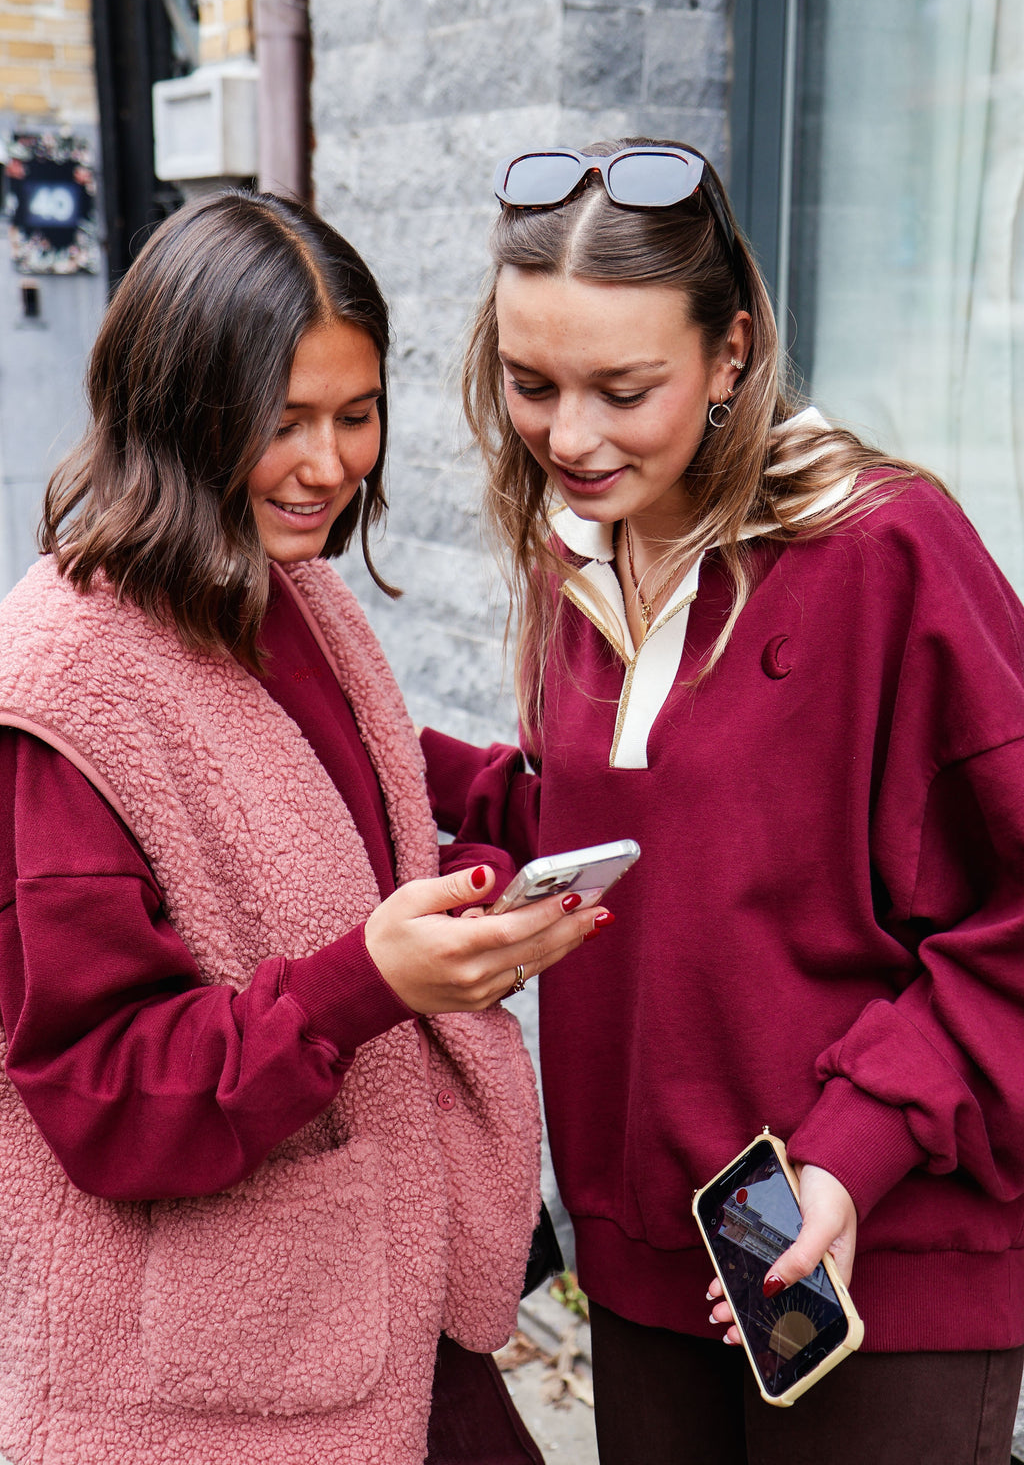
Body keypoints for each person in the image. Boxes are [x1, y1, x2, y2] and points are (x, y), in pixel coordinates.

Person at [419, 140, 1024, 1464]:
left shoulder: (884, 549)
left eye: (623, 390)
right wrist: (377, 762)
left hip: (881, 1260)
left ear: (731, 353)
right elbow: (619, 833)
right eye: (531, 384)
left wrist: (858, 1144)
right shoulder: (579, 548)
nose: (568, 438)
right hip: (650, 1262)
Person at [0, 190, 610, 1465]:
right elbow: (102, 1090)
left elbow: (370, 807)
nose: (329, 464)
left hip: (364, 1301)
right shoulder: (62, 690)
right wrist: (367, 983)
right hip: (204, 1384)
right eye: (281, 422)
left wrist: (500, 872)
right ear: (175, 410)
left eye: (356, 413)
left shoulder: (291, 592)